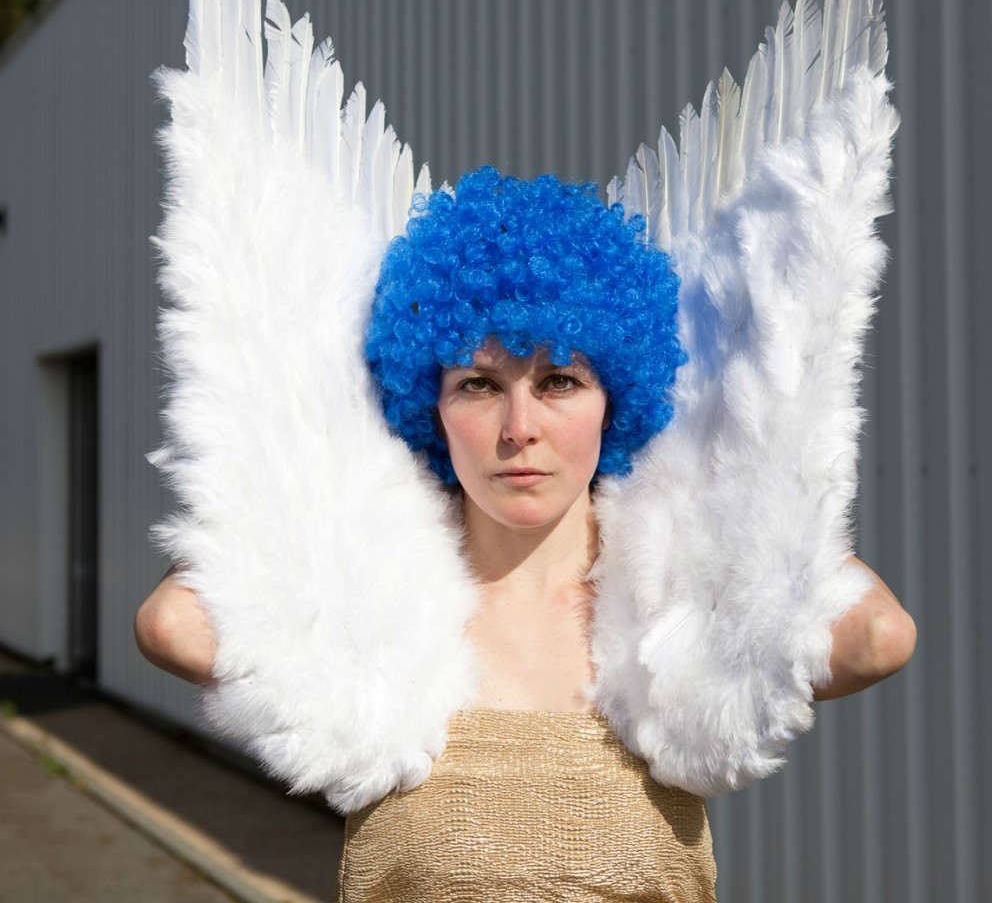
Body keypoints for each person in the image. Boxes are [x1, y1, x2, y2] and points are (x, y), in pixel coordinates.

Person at [138, 167, 915, 902]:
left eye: (559, 382)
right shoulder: (369, 612)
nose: (520, 429)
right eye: (479, 384)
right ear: (429, 405)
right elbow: (174, 624)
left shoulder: (677, 615)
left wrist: (754, 496)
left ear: (615, 398)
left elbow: (878, 635)